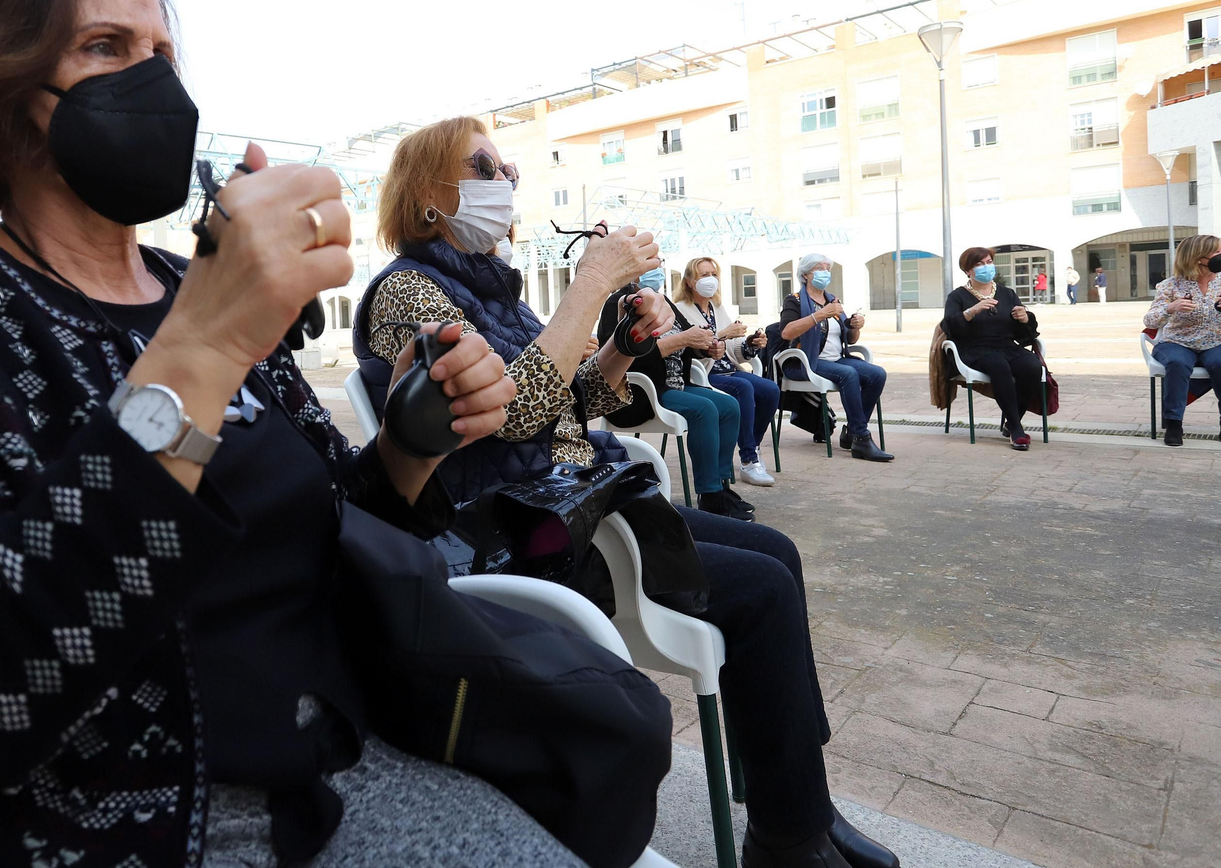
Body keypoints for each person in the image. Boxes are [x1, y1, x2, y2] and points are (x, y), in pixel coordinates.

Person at [0, 0, 598, 868]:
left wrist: (411, 439)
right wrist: (203, 353)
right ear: (0, 89)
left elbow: (336, 524)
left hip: (315, 775)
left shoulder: (192, 286)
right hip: (82, 825)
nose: (156, 86)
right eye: (105, 46)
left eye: (164, 55)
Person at [354, 118, 900, 868]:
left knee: (777, 551)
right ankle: (789, 834)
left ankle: (800, 800)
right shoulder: (404, 292)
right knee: (763, 587)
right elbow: (509, 412)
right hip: (521, 533)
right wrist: (591, 283)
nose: (506, 177)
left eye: (508, 164)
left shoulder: (496, 293)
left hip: (582, 501)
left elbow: (572, 405)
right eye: (485, 164)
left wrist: (619, 347)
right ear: (427, 195)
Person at [596, 274, 750, 518]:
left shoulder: (664, 302)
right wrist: (683, 339)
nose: (656, 271)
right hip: (646, 392)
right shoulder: (620, 303)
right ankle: (709, 495)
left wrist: (707, 347)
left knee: (729, 405)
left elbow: (690, 339)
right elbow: (625, 357)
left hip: (677, 385)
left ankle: (721, 486)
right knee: (704, 409)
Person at [673, 256, 779, 487]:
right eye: (704, 275)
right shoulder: (680, 310)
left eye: (713, 274)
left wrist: (750, 343)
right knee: (744, 387)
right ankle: (749, 460)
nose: (710, 280)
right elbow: (692, 347)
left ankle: (753, 446)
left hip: (728, 369)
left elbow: (732, 348)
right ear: (690, 282)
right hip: (703, 375)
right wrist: (723, 333)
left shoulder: (716, 306)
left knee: (770, 389)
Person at [1142, 235, 1221, 445]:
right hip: (1177, 342)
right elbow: (1149, 320)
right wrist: (1170, 308)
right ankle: (1174, 424)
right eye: (1216, 252)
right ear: (1197, 258)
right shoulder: (1171, 285)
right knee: (1177, 363)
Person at [779, 254, 894, 462]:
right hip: (805, 361)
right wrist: (820, 315)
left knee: (877, 374)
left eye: (827, 268)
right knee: (848, 374)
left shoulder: (833, 300)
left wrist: (854, 326)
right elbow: (786, 333)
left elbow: (848, 339)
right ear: (806, 275)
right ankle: (861, 438)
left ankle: (852, 431)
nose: (825, 272)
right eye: (819, 268)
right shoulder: (794, 300)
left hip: (835, 359)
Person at [942, 247, 1045, 451]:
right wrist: (971, 312)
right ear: (968, 271)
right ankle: (1016, 429)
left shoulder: (1007, 293)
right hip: (973, 349)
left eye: (988, 261)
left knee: (1033, 367)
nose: (986, 267)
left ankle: (1012, 420)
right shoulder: (957, 296)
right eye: (979, 264)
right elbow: (950, 327)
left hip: (1006, 346)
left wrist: (1025, 318)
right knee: (998, 366)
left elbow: (1023, 332)